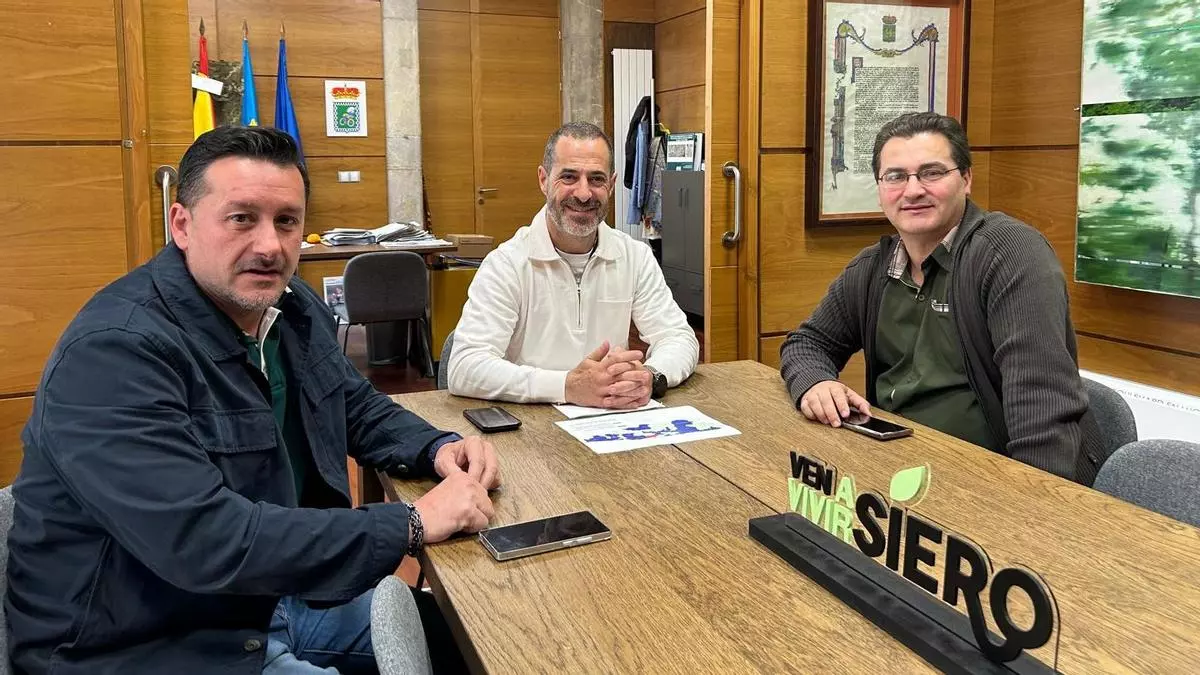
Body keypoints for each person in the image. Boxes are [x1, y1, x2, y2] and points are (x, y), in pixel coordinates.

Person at [6, 126, 499, 674]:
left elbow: (352, 403)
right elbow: (204, 540)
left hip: (269, 600)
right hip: (142, 644)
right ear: (182, 225)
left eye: (287, 221)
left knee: (475, 644)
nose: (270, 246)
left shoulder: (289, 307)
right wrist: (408, 522)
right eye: (242, 218)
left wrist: (436, 446)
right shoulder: (114, 353)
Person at [779, 112, 1105, 485]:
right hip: (903, 471)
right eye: (895, 176)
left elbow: (1042, 416)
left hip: (994, 480)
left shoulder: (1010, 255)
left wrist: (1025, 506)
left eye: (931, 173)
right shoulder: (873, 268)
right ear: (880, 187)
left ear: (966, 179)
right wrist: (815, 382)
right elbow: (807, 343)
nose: (913, 190)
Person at [447, 122, 699, 409]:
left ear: (612, 185)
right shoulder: (506, 265)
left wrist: (651, 376)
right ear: (543, 180)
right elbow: (465, 367)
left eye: (596, 179)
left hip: (612, 420)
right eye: (569, 177)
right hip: (530, 423)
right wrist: (567, 386)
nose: (583, 193)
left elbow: (679, 337)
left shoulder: (635, 257)